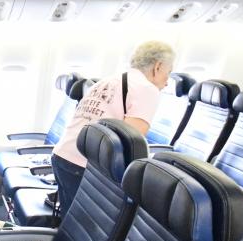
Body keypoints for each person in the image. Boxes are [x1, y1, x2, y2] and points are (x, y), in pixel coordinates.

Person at [51, 40, 175, 216]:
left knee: (71, 224)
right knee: (89, 232)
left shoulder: (107, 81)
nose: (167, 81)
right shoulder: (147, 89)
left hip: (63, 156)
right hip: (85, 166)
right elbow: (131, 146)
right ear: (158, 66)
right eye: (168, 73)